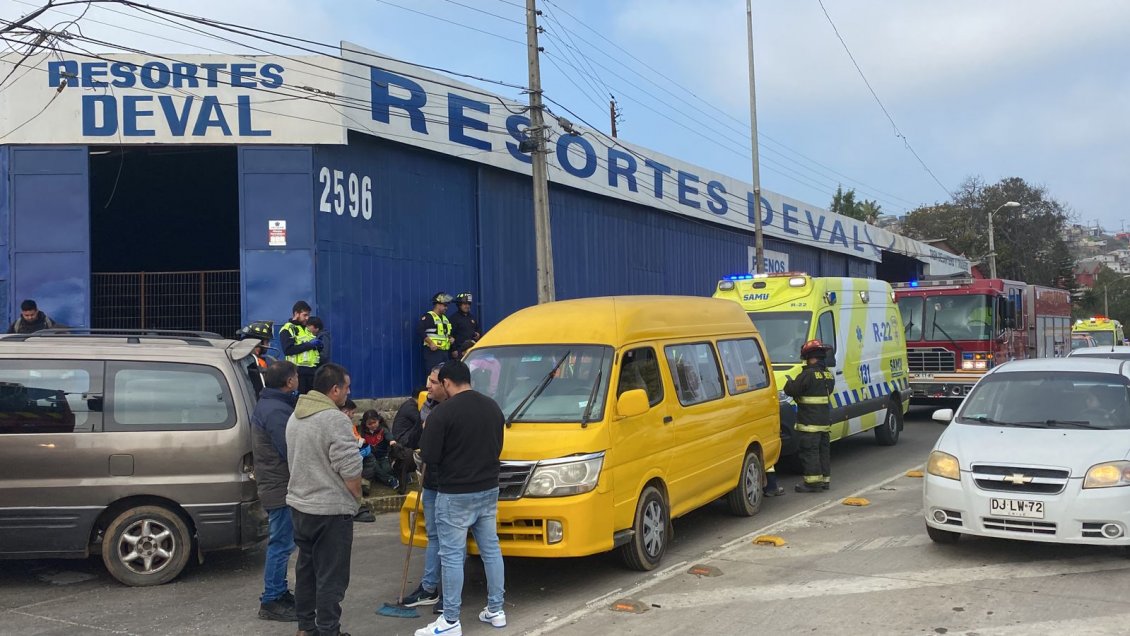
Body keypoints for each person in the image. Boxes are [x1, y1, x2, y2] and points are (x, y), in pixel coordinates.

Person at [415, 360, 506, 635]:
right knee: (491, 549)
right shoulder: (492, 407)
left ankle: (451, 620)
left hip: (455, 493)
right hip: (488, 489)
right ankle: (496, 609)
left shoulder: (443, 414)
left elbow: (428, 456)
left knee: (452, 556)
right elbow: (498, 447)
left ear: (446, 382)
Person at [285, 363, 362, 636]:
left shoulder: (296, 416)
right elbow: (350, 469)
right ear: (335, 389)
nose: (348, 392)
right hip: (330, 510)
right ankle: (329, 630)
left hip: (300, 507)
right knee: (332, 577)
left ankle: (306, 628)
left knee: (307, 571)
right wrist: (357, 496)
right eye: (347, 387)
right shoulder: (334, 419)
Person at [251, 361, 300, 622]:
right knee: (281, 544)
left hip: (275, 482)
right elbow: (289, 448)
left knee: (282, 542)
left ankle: (279, 591)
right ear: (289, 381)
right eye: (295, 376)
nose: (298, 380)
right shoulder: (275, 410)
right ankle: (271, 599)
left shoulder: (273, 404)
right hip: (278, 485)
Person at [398, 365, 449, 613]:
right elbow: (414, 440)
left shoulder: (456, 410)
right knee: (434, 536)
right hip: (430, 481)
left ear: (446, 384)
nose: (428, 387)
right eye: (428, 381)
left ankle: (448, 594)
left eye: (433, 382)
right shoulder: (427, 407)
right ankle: (429, 587)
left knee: (452, 540)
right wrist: (425, 420)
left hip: (450, 485)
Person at [785, 339, 836, 493]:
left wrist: (789, 383)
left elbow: (792, 390)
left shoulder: (808, 374)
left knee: (810, 452)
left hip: (809, 423)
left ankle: (812, 483)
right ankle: (824, 481)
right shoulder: (828, 375)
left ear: (811, 358)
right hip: (824, 422)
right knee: (823, 452)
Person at [280, 301, 321, 394]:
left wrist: (318, 347)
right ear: (296, 314)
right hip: (297, 373)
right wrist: (309, 345)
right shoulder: (287, 329)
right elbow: (288, 350)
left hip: (311, 373)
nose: (307, 318)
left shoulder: (306, 329)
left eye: (308, 315)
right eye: (305, 315)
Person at [358, 410, 399, 491]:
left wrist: (391, 441)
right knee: (375, 468)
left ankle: (402, 476)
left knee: (387, 469)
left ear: (378, 420)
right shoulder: (364, 433)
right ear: (365, 424)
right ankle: (390, 480)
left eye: (374, 422)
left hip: (384, 456)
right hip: (371, 458)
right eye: (370, 424)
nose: (373, 425)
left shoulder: (383, 430)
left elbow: (388, 436)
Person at [418, 293, 453, 374]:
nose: (446, 308)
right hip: (433, 353)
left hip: (444, 353)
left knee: (444, 375)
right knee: (433, 375)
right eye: (445, 305)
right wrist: (430, 343)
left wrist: (451, 338)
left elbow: (445, 334)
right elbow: (420, 330)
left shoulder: (445, 318)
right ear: (438, 305)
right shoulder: (429, 316)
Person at [449, 293, 481, 360]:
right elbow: (450, 335)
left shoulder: (472, 318)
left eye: (469, 304)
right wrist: (453, 350)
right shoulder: (454, 318)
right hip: (459, 352)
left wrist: (478, 335)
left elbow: (478, 331)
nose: (467, 306)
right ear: (459, 305)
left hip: (472, 351)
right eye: (465, 304)